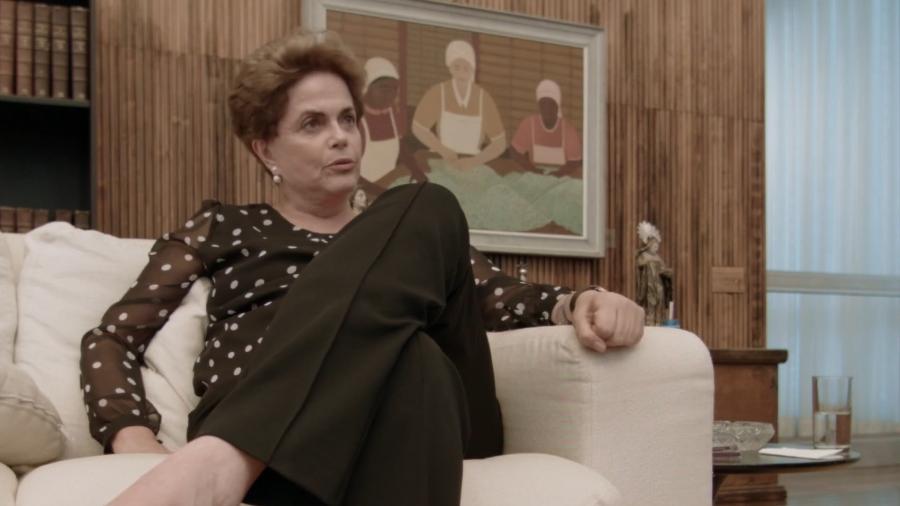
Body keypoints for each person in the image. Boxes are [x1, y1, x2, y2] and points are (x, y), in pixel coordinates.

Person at [81, 30, 645, 506]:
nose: (341, 137)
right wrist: (131, 434)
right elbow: (112, 337)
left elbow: (496, 294)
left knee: (428, 201)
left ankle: (230, 455)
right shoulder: (225, 226)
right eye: (312, 124)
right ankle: (243, 445)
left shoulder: (405, 229)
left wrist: (578, 302)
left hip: (417, 421)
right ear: (265, 150)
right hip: (293, 439)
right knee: (416, 356)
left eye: (348, 119)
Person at [412, 39, 507, 171]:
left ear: (472, 68)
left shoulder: (483, 98)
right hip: (443, 160)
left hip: (473, 165)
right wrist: (443, 150)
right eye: (457, 67)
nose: (461, 72)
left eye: (466, 67)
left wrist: (474, 161)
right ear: (450, 67)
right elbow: (418, 128)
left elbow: (500, 142)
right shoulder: (438, 92)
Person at [358, 56, 426, 194]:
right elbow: (349, 174)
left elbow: (400, 147)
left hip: (387, 182)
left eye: (394, 89)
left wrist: (416, 170)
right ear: (367, 88)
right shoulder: (357, 121)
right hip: (363, 191)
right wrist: (380, 193)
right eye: (384, 88)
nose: (390, 94)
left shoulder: (391, 113)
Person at [509, 79, 583, 178]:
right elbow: (514, 151)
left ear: (557, 106)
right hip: (535, 175)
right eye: (543, 104)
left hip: (561, 178)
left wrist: (558, 175)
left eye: (551, 104)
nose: (547, 109)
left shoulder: (568, 130)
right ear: (539, 106)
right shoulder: (529, 124)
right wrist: (532, 170)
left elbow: (575, 161)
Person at [635, 221, 674, 326]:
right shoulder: (643, 256)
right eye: (655, 246)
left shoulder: (657, 257)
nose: (657, 248)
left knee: (659, 301)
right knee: (650, 302)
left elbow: (663, 269)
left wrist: (667, 272)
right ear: (649, 245)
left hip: (658, 284)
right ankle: (650, 321)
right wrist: (650, 263)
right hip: (649, 285)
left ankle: (658, 321)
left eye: (657, 246)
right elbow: (640, 264)